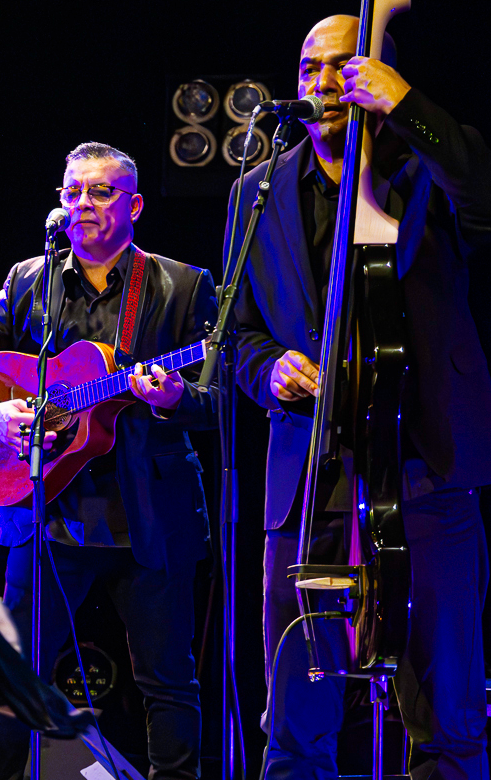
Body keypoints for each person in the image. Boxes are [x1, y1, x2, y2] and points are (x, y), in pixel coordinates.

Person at [226, 15, 490, 780]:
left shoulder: (426, 170)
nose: (320, 85)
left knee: (446, 709)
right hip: (308, 477)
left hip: (424, 464)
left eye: (341, 68)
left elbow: (483, 194)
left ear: (376, 74)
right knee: (296, 717)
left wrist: (406, 107)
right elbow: (237, 331)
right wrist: (267, 367)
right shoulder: (259, 189)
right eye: (309, 69)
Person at [0, 144, 215, 780]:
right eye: (72, 192)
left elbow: (222, 395)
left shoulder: (182, 286)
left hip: (147, 512)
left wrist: (173, 398)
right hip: (47, 507)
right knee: (12, 679)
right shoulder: (30, 280)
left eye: (101, 192)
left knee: (168, 682)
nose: (83, 204)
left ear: (134, 205)